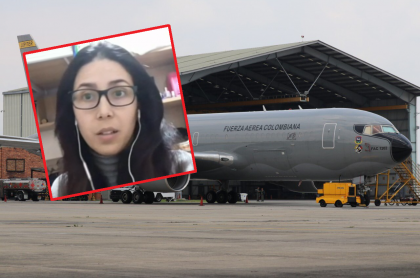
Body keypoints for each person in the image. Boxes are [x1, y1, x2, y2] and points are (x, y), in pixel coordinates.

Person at [51, 42, 193, 198]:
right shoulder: (61, 189)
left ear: (139, 103)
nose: (104, 112)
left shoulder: (183, 167)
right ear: (72, 111)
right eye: (87, 96)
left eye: (119, 93)